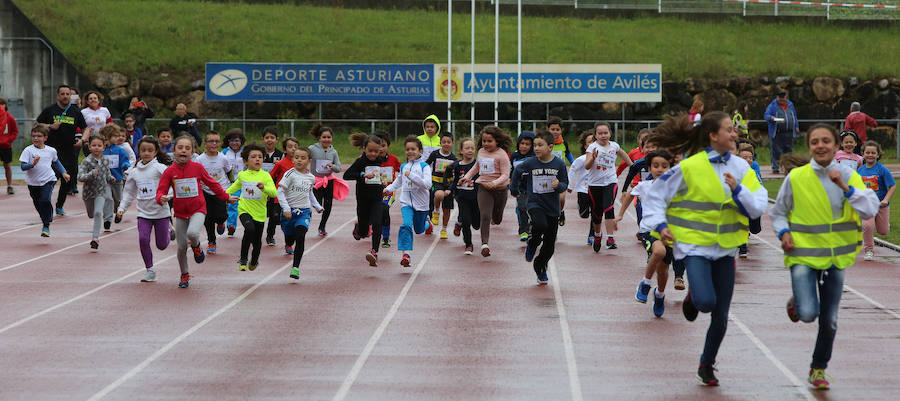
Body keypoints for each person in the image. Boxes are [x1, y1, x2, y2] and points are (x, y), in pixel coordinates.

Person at [641, 112, 768, 386]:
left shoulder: (742, 168)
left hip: (726, 250)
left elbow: (758, 206)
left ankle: (706, 364)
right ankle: (693, 298)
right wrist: (661, 224)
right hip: (694, 247)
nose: (735, 134)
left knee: (720, 316)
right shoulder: (690, 167)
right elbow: (656, 196)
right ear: (713, 135)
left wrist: (738, 191)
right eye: (729, 130)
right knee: (706, 302)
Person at [771, 124, 879, 390]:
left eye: (826, 141)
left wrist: (844, 186)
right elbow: (778, 212)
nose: (820, 146)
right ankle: (799, 301)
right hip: (803, 256)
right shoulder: (796, 178)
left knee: (829, 320)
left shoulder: (849, 175)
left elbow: (869, 209)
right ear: (809, 147)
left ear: (835, 145)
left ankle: (818, 369)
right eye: (815, 142)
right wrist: (784, 232)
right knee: (808, 313)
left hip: (836, 258)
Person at [157, 135, 230, 288]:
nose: (184, 150)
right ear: (174, 150)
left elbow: (212, 183)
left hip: (198, 209)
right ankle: (184, 274)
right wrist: (161, 198)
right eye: (180, 147)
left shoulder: (197, 168)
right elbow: (161, 190)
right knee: (181, 247)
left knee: (193, 233)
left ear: (192, 152)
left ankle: (196, 246)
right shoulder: (170, 172)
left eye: (187, 148)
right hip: (181, 213)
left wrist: (226, 197)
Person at [615, 149, 674, 317]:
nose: (660, 169)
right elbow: (629, 196)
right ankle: (645, 283)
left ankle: (660, 295)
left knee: (663, 271)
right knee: (659, 251)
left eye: (664, 166)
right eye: (655, 166)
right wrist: (619, 216)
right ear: (649, 168)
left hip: (669, 232)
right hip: (649, 229)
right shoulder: (644, 186)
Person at [511, 131, 568, 285]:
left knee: (549, 247)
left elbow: (565, 184)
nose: (536, 148)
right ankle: (532, 242)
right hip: (535, 203)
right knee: (539, 224)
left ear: (550, 147)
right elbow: (517, 171)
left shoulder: (559, 164)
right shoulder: (530, 163)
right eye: (535, 145)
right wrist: (514, 189)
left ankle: (540, 266)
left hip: (552, 207)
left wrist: (559, 185)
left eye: (540, 145)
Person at [117, 136, 173, 282]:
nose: (146, 153)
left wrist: (168, 196)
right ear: (138, 152)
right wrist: (122, 208)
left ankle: (169, 230)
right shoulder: (134, 172)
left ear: (155, 152)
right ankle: (150, 270)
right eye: (143, 150)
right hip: (143, 213)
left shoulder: (160, 168)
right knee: (143, 239)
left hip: (161, 212)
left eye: (150, 150)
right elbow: (129, 192)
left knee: (161, 245)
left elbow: (173, 184)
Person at [460, 126, 512, 258]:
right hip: (484, 188)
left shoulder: (502, 155)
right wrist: (466, 177)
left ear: (497, 141)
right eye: (484, 141)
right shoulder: (481, 152)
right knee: (485, 215)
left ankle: (496, 218)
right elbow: (476, 167)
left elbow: (506, 174)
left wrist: (494, 183)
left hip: (500, 190)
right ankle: (485, 244)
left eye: (489, 141)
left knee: (497, 219)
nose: (486, 144)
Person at [36, 85, 87, 216]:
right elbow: (37, 125)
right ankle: (44, 203)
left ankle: (59, 205)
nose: (65, 96)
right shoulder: (50, 110)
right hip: (51, 151)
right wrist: (50, 126)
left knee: (67, 180)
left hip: (69, 151)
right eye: (62, 94)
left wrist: (83, 140)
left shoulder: (75, 111)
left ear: (70, 96)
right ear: (58, 96)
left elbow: (86, 128)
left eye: (67, 94)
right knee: (50, 180)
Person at [226, 142, 277, 273]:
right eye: (253, 156)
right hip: (244, 209)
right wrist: (223, 196)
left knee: (257, 240)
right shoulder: (243, 175)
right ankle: (243, 259)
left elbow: (274, 193)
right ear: (246, 161)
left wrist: (264, 188)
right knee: (249, 229)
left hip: (260, 212)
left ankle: (254, 260)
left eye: (260, 156)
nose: (257, 159)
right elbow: (233, 188)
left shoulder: (265, 176)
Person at [383, 136, 433, 267]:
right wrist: (388, 189)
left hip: (421, 205)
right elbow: (399, 181)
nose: (410, 152)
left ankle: (427, 224)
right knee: (406, 225)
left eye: (413, 149)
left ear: (420, 151)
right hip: (406, 203)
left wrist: (411, 176)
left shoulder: (424, 167)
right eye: (407, 149)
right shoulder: (404, 166)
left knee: (419, 230)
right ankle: (405, 254)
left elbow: (427, 185)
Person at [584, 121, 632, 252]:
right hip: (595, 184)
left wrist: (633, 167)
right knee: (597, 212)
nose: (603, 135)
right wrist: (593, 158)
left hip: (610, 181)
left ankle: (610, 237)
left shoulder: (614, 146)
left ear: (610, 133)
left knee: (609, 207)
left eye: (606, 133)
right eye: (600, 133)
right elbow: (587, 166)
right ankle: (598, 235)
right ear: (595, 135)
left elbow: (623, 154)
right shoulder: (592, 148)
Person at [277, 147, 324, 279]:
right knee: (290, 237)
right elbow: (280, 192)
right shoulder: (289, 174)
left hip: (304, 212)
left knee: (301, 235)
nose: (299, 160)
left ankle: (295, 267)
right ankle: (288, 243)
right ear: (292, 159)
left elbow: (310, 193)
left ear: (309, 161)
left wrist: (317, 206)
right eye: (296, 157)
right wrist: (286, 209)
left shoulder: (310, 177)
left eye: (303, 158)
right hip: (289, 213)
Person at [344, 134, 389, 265]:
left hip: (376, 199)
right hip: (363, 200)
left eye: (376, 151)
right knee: (363, 232)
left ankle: (374, 251)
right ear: (364, 148)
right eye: (370, 151)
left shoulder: (380, 161)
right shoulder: (361, 162)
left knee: (377, 222)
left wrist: (384, 182)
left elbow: (384, 176)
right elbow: (347, 175)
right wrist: (363, 175)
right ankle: (359, 228)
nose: (373, 154)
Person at [20, 125, 70, 237]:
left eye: (39, 136)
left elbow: (56, 162)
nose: (36, 138)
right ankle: (45, 220)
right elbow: (23, 167)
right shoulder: (28, 150)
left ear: (45, 138)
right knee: (38, 204)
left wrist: (63, 172)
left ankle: (46, 224)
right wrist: (32, 164)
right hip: (33, 183)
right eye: (34, 136)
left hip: (48, 179)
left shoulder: (51, 151)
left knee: (45, 200)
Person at [196, 131, 233, 255]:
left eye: (216, 141)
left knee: (221, 215)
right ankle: (211, 241)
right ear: (205, 144)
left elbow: (229, 171)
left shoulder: (223, 158)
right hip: (205, 191)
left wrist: (232, 184)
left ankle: (221, 223)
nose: (214, 144)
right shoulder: (200, 159)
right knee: (208, 218)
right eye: (211, 141)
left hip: (220, 190)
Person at [857, 140, 895, 261]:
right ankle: (869, 251)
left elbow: (892, 186)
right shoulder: (860, 171)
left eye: (873, 153)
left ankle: (884, 224)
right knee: (867, 226)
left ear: (878, 154)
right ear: (863, 154)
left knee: (882, 231)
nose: (870, 155)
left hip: (881, 205)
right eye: (867, 152)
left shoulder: (882, 169)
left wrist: (885, 200)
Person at [77, 134, 116, 250]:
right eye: (94, 145)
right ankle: (94, 230)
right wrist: (91, 174)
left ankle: (95, 238)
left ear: (104, 147)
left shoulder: (105, 160)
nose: (96, 148)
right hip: (89, 193)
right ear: (89, 147)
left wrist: (111, 178)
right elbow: (80, 177)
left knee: (98, 213)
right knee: (91, 214)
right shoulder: (86, 161)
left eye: (99, 145)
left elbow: (107, 173)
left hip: (101, 191)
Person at [445, 138, 480, 255]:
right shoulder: (457, 166)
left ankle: (459, 223)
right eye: (467, 148)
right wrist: (450, 190)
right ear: (461, 151)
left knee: (476, 224)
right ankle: (468, 244)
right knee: (466, 221)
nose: (470, 150)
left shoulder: (477, 165)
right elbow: (455, 181)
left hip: (476, 198)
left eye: (472, 148)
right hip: (462, 198)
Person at [308, 124, 342, 237]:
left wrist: (332, 166)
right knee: (316, 202)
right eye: (324, 137)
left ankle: (322, 226)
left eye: (329, 137)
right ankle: (305, 221)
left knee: (328, 204)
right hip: (316, 181)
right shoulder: (312, 149)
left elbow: (339, 168)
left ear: (332, 138)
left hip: (328, 181)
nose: (326, 140)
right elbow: (303, 157)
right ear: (319, 138)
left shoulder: (334, 152)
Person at [269, 136, 301, 254]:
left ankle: (288, 244)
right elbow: (271, 176)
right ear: (284, 150)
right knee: (276, 218)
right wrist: (268, 189)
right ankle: (271, 234)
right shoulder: (280, 163)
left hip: (294, 198)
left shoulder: (300, 163)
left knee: (291, 222)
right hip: (280, 196)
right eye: (290, 147)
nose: (293, 149)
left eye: (295, 147)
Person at [99, 124, 132, 230]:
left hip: (117, 179)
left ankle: (118, 213)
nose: (118, 138)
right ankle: (107, 220)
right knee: (108, 198)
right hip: (105, 180)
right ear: (107, 137)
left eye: (118, 136)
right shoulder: (101, 150)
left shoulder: (120, 150)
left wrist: (125, 165)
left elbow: (125, 160)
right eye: (115, 136)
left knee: (118, 199)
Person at [425, 131, 457, 239]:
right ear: (440, 143)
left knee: (447, 209)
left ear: (452, 143)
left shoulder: (454, 159)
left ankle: (444, 229)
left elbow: (456, 173)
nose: (446, 144)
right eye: (444, 142)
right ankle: (436, 211)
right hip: (436, 182)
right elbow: (426, 164)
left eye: (449, 142)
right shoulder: (435, 154)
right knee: (439, 195)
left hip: (448, 184)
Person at [568, 130, 595, 245]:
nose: (593, 144)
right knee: (584, 214)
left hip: (596, 189)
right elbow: (573, 169)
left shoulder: (602, 157)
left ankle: (592, 234)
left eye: (594, 141)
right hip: (583, 190)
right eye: (590, 142)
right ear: (585, 146)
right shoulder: (582, 159)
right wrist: (570, 185)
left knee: (596, 213)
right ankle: (584, 211)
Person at [737, 143, 763, 259]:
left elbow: (759, 185)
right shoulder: (733, 170)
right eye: (745, 157)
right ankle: (742, 249)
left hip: (752, 201)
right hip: (738, 203)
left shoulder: (753, 169)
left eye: (750, 158)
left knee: (755, 229)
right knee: (742, 225)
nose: (748, 160)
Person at [375, 132, 401, 248]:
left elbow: (402, 170)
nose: (381, 148)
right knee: (374, 213)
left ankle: (385, 238)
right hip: (374, 192)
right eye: (378, 145)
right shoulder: (370, 159)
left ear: (388, 146)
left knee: (384, 210)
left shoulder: (393, 159)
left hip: (389, 192)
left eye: (383, 145)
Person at [764, 91, 799, 174]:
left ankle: (788, 166)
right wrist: (771, 118)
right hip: (777, 132)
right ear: (778, 98)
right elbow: (766, 115)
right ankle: (775, 167)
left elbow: (794, 116)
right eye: (780, 100)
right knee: (776, 151)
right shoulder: (772, 105)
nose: (782, 101)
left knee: (788, 150)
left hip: (789, 132)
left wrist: (796, 126)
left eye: (783, 100)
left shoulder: (790, 105)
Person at [547, 116, 573, 226]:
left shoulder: (564, 143)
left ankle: (561, 211)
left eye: (557, 129)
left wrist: (574, 164)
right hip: (547, 174)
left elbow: (568, 154)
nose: (555, 132)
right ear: (547, 129)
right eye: (552, 129)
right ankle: (551, 221)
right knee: (548, 200)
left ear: (561, 130)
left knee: (561, 198)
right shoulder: (544, 142)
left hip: (561, 175)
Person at [260, 126, 284, 246]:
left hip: (275, 188)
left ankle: (270, 235)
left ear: (277, 140)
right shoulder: (259, 154)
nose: (270, 140)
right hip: (260, 188)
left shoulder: (280, 155)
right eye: (267, 137)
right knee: (260, 212)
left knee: (274, 214)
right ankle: (257, 233)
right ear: (263, 139)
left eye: (272, 137)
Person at [510, 131, 535, 242]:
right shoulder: (514, 156)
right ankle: (523, 230)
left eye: (527, 144)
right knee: (522, 207)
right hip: (521, 188)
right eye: (522, 143)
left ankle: (532, 227)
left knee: (533, 209)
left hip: (534, 188)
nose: (524, 146)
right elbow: (511, 171)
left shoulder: (535, 157)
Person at [221, 128, 245, 235]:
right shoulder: (224, 152)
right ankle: (227, 224)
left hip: (240, 183)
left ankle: (231, 225)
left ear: (241, 141)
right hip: (228, 183)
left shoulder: (244, 152)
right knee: (229, 204)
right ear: (228, 141)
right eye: (232, 140)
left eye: (237, 140)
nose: (234, 143)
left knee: (235, 204)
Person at [0, 98, 19, 194]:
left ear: (5, 106)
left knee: (7, 165)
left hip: (6, 146)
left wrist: (8, 140)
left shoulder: (9, 118)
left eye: (2, 104)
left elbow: (15, 131)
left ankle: (9, 185)